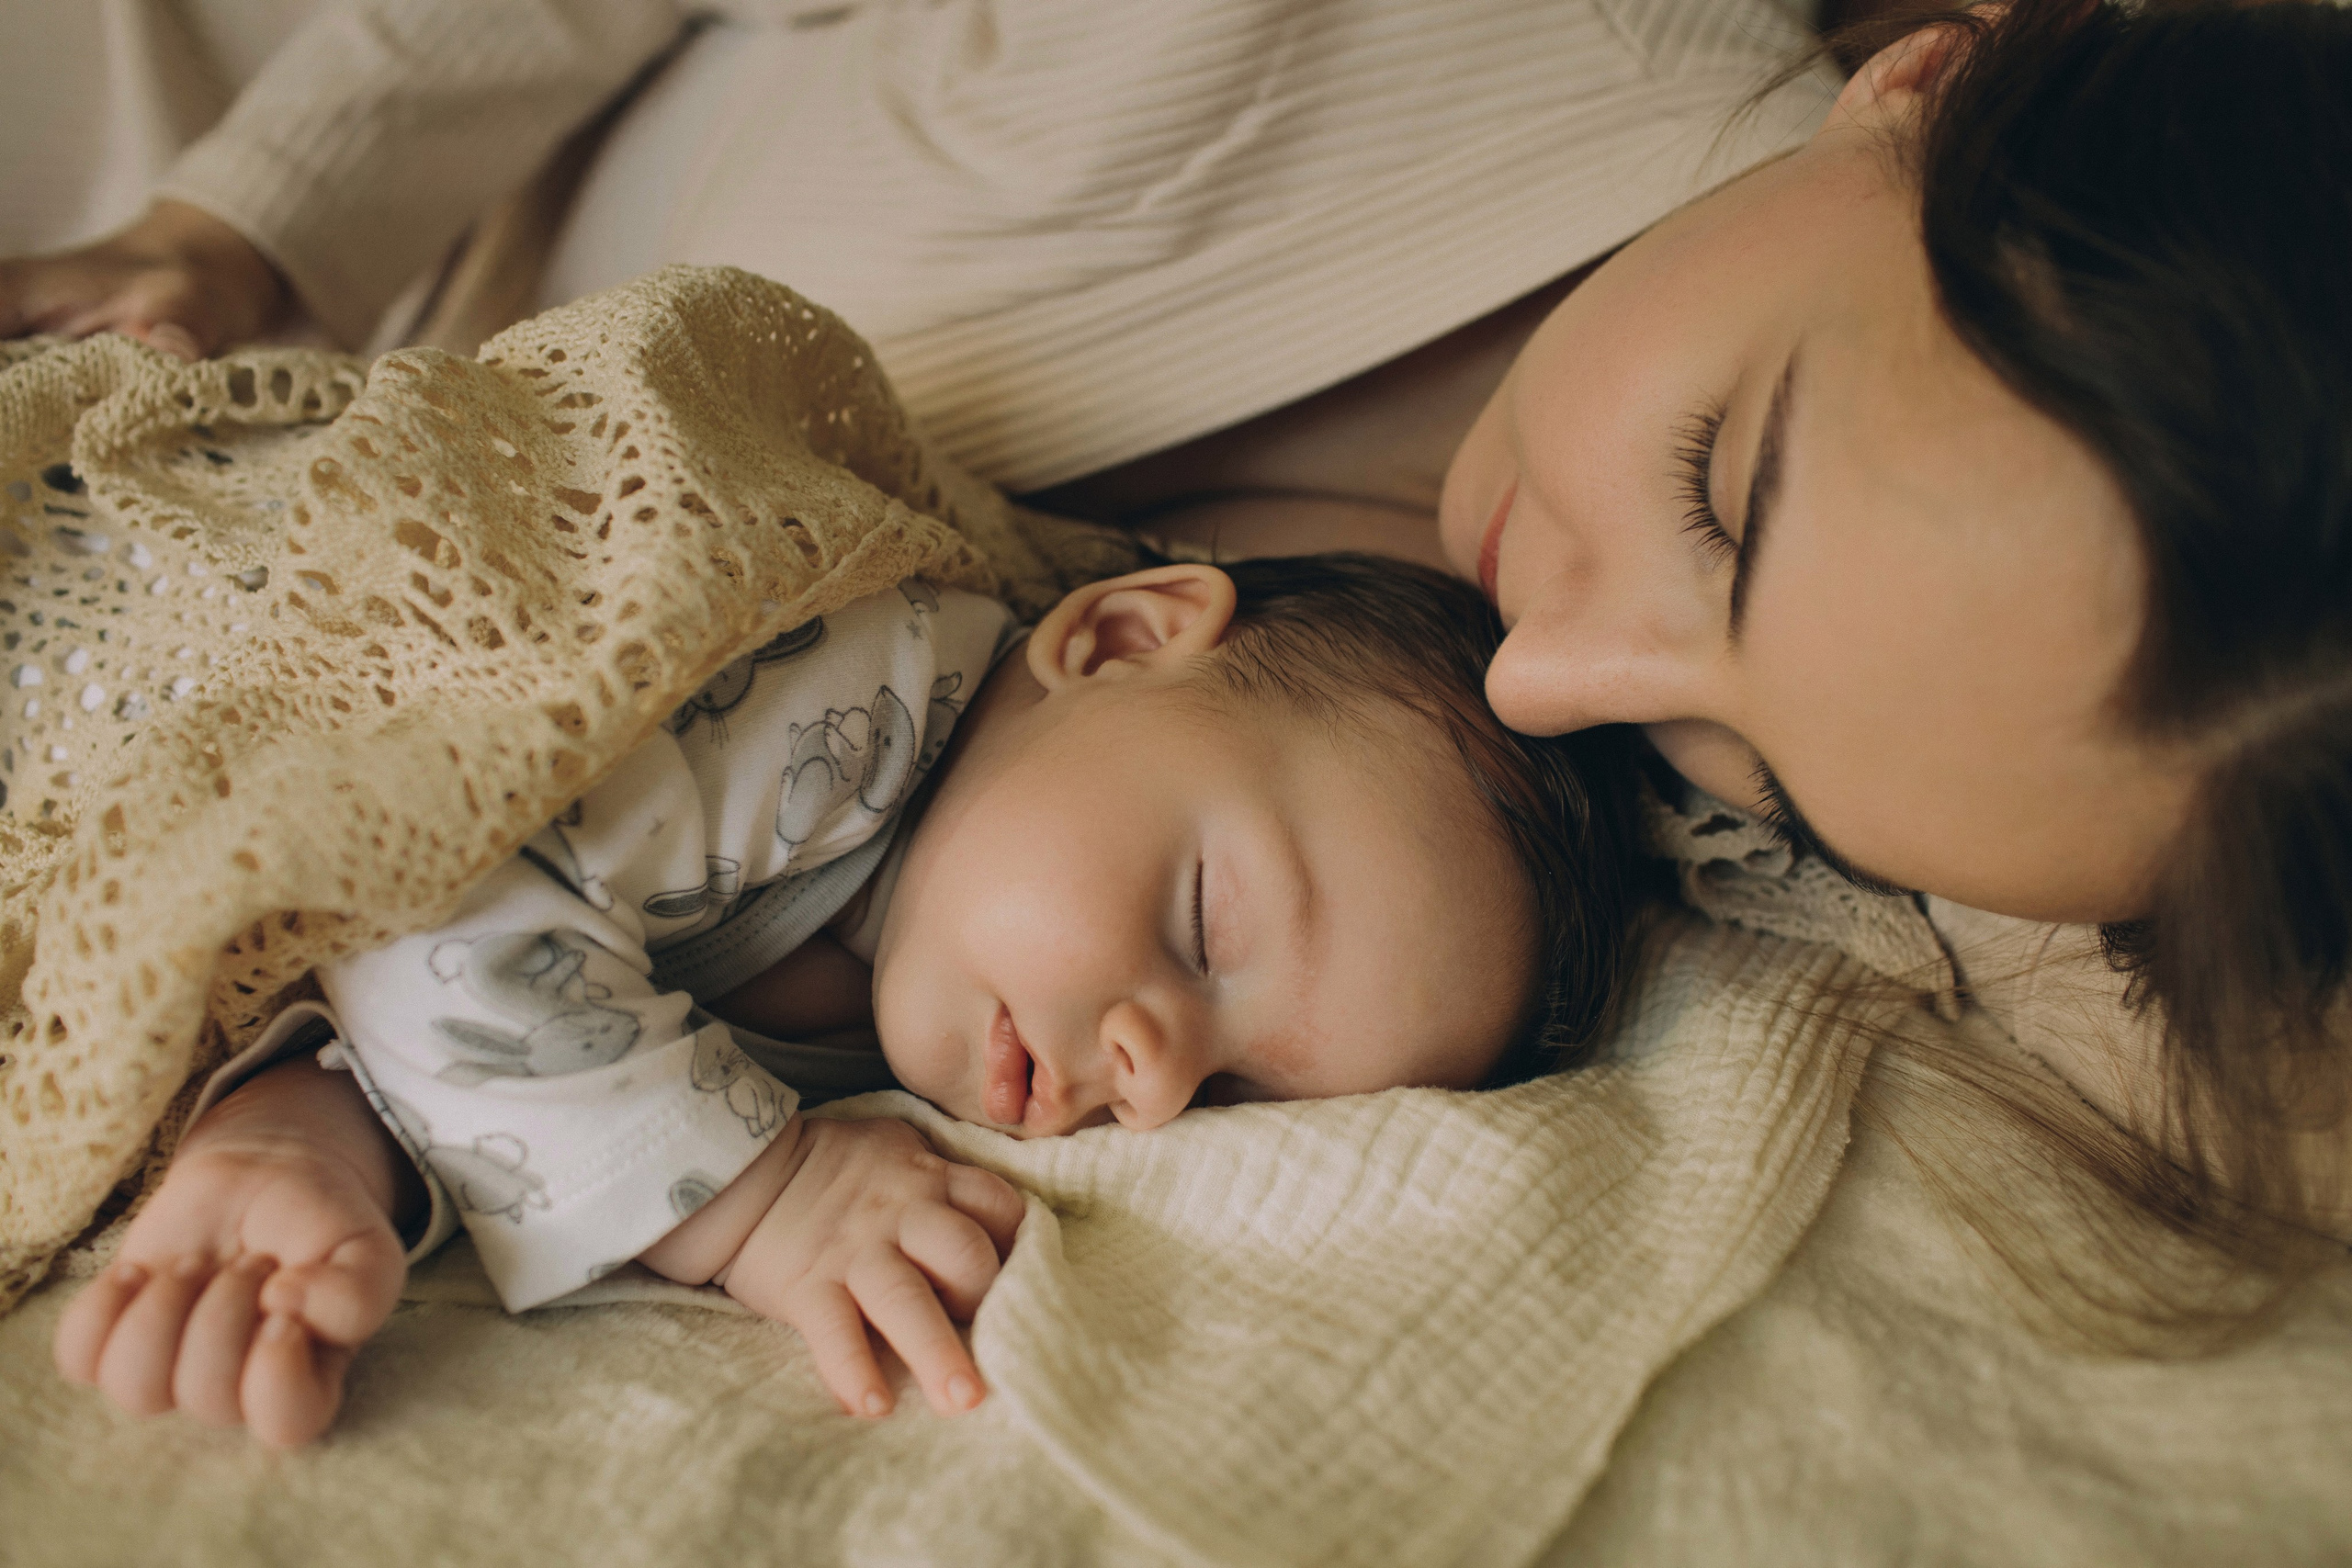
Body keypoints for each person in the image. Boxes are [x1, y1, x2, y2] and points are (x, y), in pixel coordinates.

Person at [8, 0, 2342, 1267]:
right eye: (1713, 487)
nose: (1557, 674)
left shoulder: (1571, 802)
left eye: (1761, 776)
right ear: (1932, 63)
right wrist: (248, 229)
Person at [49, 552, 1644, 1448]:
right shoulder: (851, 681)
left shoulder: (900, 995)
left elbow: (503, 1029)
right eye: (1207, 919)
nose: (1153, 1083)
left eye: (1234, 1094)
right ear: (1123, 638)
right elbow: (435, 876)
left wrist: (314, 1140)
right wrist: (758, 1202)